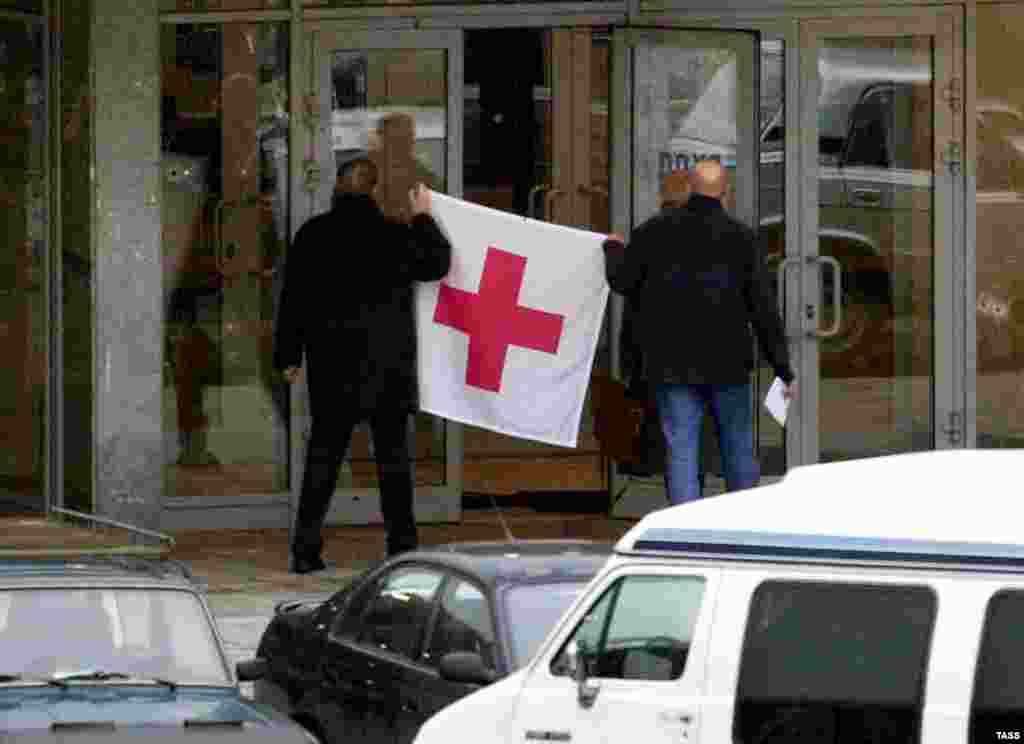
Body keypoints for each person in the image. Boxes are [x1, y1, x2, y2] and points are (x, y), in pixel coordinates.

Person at [274, 138, 452, 574]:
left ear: (337, 188)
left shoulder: (313, 234)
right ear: (374, 192)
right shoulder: (394, 233)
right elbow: (437, 263)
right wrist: (424, 215)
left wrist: (288, 355)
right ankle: (401, 547)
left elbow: (293, 299)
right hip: (387, 368)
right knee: (393, 463)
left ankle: (305, 549)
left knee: (324, 459)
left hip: (333, 366)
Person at [603, 160, 795, 505]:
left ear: (690, 186)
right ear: (725, 191)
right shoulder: (743, 238)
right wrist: (782, 367)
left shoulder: (654, 231)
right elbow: (764, 310)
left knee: (681, 447)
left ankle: (684, 533)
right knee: (736, 443)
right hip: (728, 363)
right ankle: (743, 525)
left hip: (671, 365)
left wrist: (613, 249)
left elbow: (623, 281)